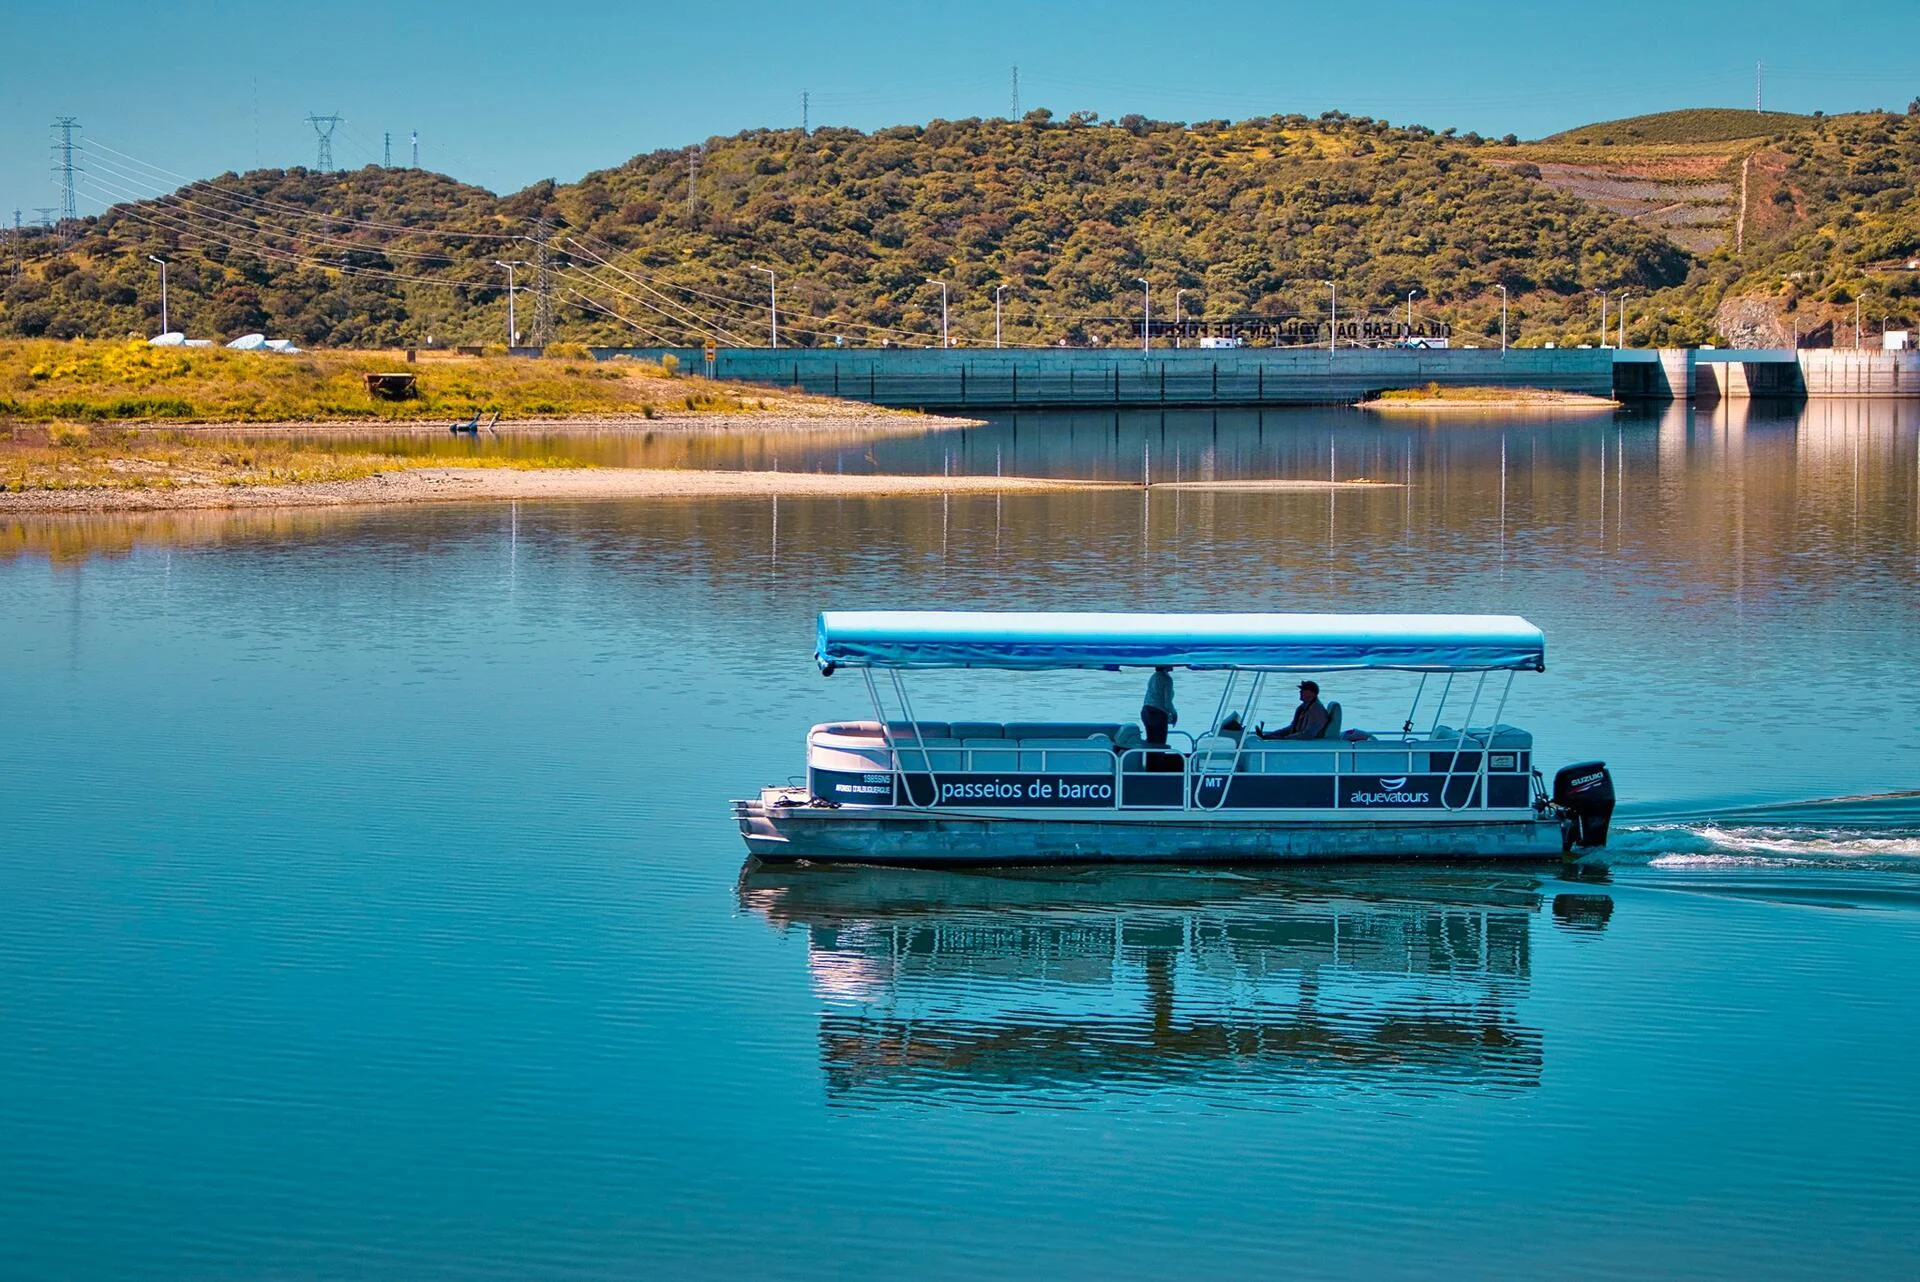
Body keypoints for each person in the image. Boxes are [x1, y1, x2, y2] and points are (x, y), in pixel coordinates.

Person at [1256, 680, 1331, 740]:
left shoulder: (1317, 710)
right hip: (1296, 741)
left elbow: (1308, 734)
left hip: (1305, 745)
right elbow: (1292, 728)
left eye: (1304, 690)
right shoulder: (1303, 708)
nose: (1300, 692)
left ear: (1313, 693)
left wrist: (1284, 739)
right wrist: (1270, 735)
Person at [1141, 665, 1177, 746]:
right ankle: (1158, 758)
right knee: (1160, 744)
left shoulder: (1153, 677)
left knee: (1150, 742)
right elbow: (1167, 703)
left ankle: (1148, 758)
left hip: (1146, 711)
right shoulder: (1166, 679)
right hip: (1157, 713)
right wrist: (1174, 714)